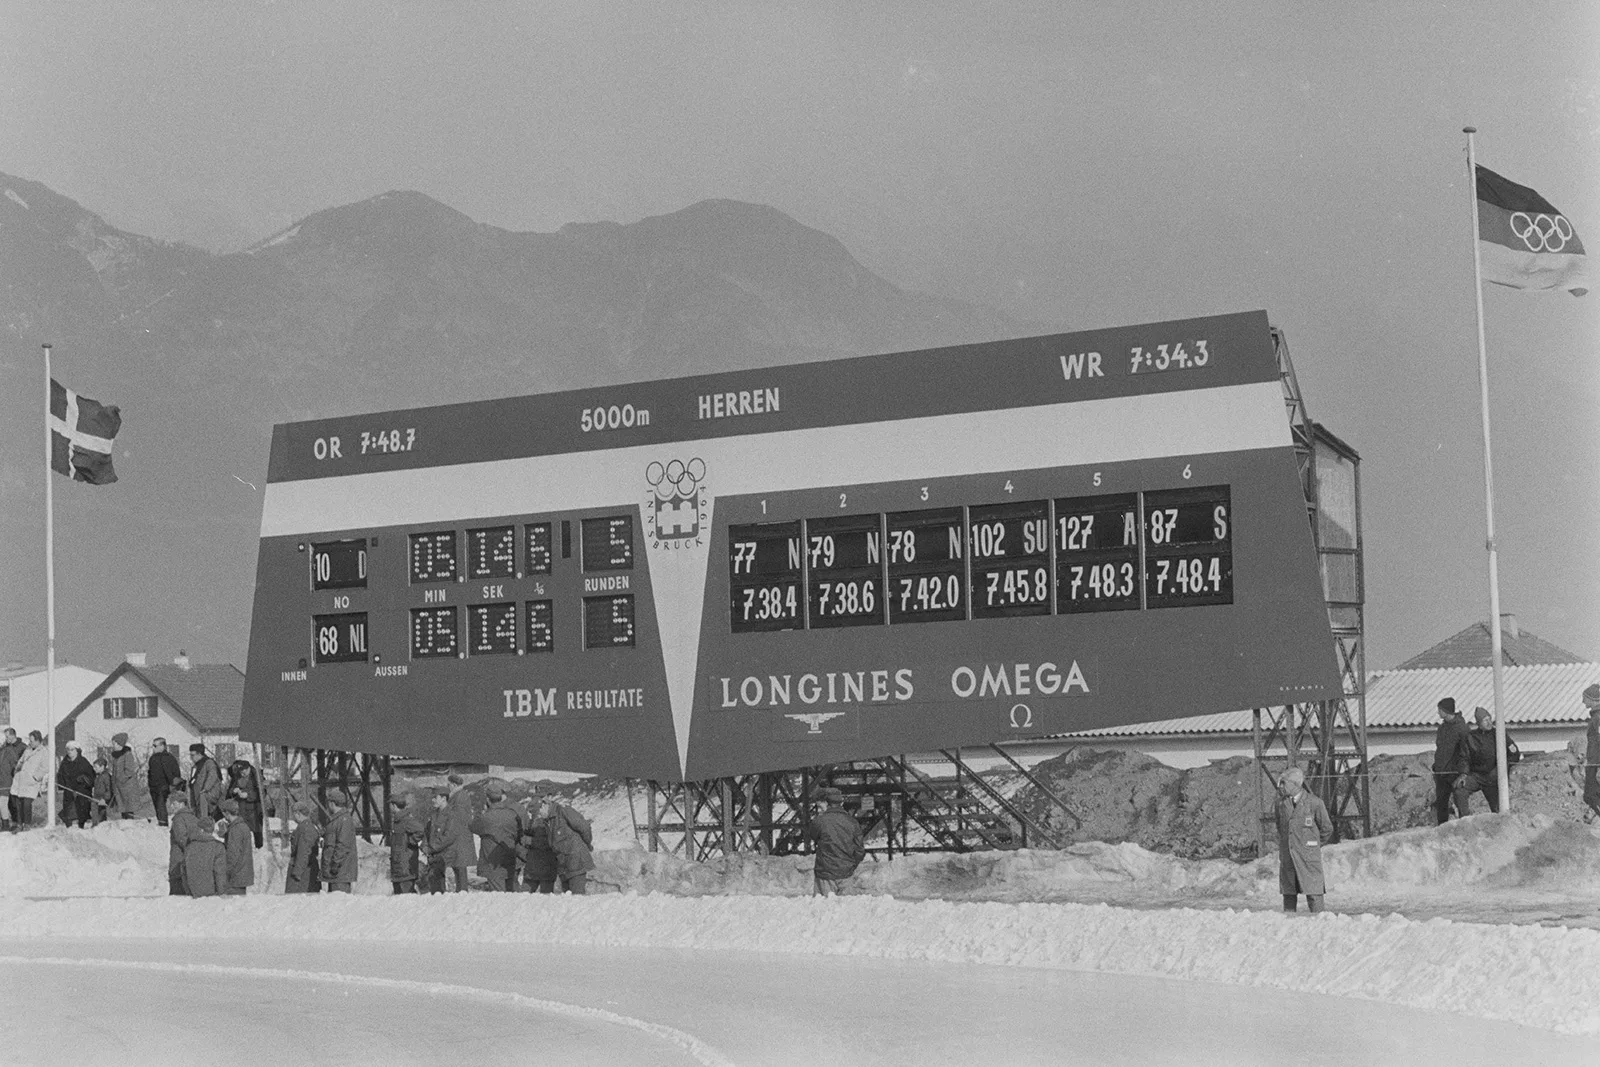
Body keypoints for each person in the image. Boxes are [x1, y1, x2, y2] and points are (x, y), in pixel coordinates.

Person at [1274, 767, 1334, 913]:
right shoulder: (1280, 804)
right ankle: (1289, 926)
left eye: (1283, 783)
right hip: (1288, 856)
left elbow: (1326, 828)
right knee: (1289, 894)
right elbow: (1280, 827)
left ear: (1295, 784)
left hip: (1308, 857)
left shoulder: (1315, 803)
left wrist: (1312, 845)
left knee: (1314, 893)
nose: (1280, 786)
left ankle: (1319, 924)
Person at [803, 787, 865, 897]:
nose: (820, 809)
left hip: (825, 874)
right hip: (846, 875)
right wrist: (851, 866)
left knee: (824, 909)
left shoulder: (819, 821)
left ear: (827, 803)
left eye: (820, 806)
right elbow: (860, 850)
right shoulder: (853, 822)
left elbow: (813, 836)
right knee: (845, 910)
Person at [534, 791, 594, 895]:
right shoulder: (547, 821)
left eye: (539, 810)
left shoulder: (563, 811)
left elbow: (584, 827)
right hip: (564, 867)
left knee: (577, 899)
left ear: (546, 804)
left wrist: (587, 844)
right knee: (567, 902)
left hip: (576, 863)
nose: (539, 814)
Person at [1463, 706, 1520, 814]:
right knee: (1460, 789)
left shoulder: (1499, 733)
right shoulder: (1471, 737)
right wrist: (1464, 773)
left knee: (1498, 808)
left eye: (1489, 719)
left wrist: (1502, 768)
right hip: (1478, 776)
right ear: (1479, 723)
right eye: (1485, 721)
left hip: (1494, 777)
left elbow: (1514, 754)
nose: (1489, 723)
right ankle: (1464, 820)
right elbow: (1465, 757)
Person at [468, 781, 523, 892]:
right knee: (511, 893)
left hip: (492, 863)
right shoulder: (512, 814)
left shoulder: (486, 817)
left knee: (498, 897)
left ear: (488, 800)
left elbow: (473, 827)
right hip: (510, 860)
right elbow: (519, 834)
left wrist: (479, 812)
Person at [1431, 697, 1471, 824]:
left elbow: (1465, 751)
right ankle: (1442, 830)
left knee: (1460, 801)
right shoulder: (1442, 729)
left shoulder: (1462, 728)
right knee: (1441, 803)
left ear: (1446, 710)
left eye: (1440, 710)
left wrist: (1462, 771)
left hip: (1454, 772)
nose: (1438, 713)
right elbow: (1440, 749)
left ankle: (1465, 827)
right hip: (1441, 772)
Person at [422, 787, 468, 893]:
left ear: (443, 798)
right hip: (435, 855)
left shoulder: (452, 814)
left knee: (460, 890)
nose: (433, 800)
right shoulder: (433, 814)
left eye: (435, 797)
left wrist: (431, 848)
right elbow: (427, 832)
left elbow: (449, 836)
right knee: (436, 888)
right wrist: (424, 845)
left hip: (450, 854)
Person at [8, 731, 50, 831]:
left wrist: (35, 777)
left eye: (31, 741)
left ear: (38, 741)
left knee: (26, 803)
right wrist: (17, 769)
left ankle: (26, 824)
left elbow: (45, 767)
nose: (29, 743)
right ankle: (19, 824)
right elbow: (21, 760)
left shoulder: (44, 752)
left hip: (31, 782)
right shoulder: (27, 750)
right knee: (17, 802)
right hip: (21, 779)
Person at [183, 809, 228, 898]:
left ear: (200, 829)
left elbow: (184, 872)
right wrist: (222, 893)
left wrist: (188, 892)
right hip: (212, 895)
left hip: (194, 894)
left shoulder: (189, 847)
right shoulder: (218, 847)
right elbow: (220, 872)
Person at [518, 798, 560, 894]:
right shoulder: (535, 822)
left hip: (545, 868)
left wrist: (528, 840)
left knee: (545, 899)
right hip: (534, 868)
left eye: (531, 811)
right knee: (524, 897)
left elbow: (548, 842)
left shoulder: (547, 822)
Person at [320, 793, 358, 893]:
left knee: (340, 904)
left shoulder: (344, 820)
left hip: (340, 873)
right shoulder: (337, 820)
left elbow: (343, 845)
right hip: (335, 873)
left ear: (332, 803)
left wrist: (335, 864)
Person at [387, 794, 424, 895]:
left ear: (394, 806)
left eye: (390, 805)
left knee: (407, 898)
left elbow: (420, 830)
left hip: (406, 868)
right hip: (398, 867)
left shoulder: (406, 820)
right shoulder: (398, 821)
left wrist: (410, 841)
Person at [165, 793, 202, 894]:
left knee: (177, 896)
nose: (171, 806)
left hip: (178, 862)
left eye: (174, 803)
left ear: (182, 804)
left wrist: (189, 851)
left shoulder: (178, 819)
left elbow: (182, 839)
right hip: (192, 863)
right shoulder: (194, 818)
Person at [445, 773, 478, 887]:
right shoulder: (459, 795)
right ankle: (461, 890)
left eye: (448, 784)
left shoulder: (459, 796)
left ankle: (462, 891)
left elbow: (457, 817)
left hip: (459, 836)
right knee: (457, 866)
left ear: (453, 785)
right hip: (459, 836)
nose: (447, 786)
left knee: (459, 866)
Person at [226, 756, 265, 848]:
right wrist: (233, 791)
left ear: (248, 768)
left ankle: (259, 848)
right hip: (241, 808)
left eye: (244, 771)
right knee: (241, 829)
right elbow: (230, 790)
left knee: (257, 830)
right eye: (241, 771)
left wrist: (248, 795)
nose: (242, 773)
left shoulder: (257, 777)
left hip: (254, 808)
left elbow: (262, 793)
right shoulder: (238, 777)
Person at [285, 801, 323, 894]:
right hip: (307, 869)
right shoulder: (308, 827)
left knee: (295, 900)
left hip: (303, 873)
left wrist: (297, 873)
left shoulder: (304, 829)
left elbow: (303, 852)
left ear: (298, 813)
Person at [57, 742, 96, 828]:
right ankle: (69, 828)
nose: (69, 752)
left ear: (77, 751)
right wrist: (62, 784)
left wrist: (84, 779)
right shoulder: (65, 763)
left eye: (72, 750)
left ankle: (81, 826)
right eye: (68, 750)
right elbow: (60, 775)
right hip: (69, 791)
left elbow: (91, 777)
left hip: (82, 791)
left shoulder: (83, 762)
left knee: (81, 811)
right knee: (68, 812)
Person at [220, 799, 254, 895]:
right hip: (242, 874)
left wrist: (226, 872)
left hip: (235, 877)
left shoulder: (235, 829)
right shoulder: (243, 826)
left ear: (227, 813)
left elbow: (233, 854)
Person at [146, 737, 182, 828]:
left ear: (162, 746)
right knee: (157, 805)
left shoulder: (169, 758)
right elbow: (150, 772)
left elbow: (175, 773)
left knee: (161, 804)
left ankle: (163, 824)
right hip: (154, 786)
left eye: (155, 745)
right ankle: (160, 821)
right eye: (152, 746)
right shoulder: (152, 758)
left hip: (164, 785)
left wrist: (173, 785)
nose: (153, 748)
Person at [108, 732, 140, 820]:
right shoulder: (116, 756)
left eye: (114, 743)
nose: (113, 745)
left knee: (128, 809)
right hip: (119, 787)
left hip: (127, 787)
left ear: (119, 744)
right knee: (123, 809)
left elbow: (129, 770)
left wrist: (120, 779)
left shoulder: (127, 754)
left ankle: (130, 829)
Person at [188, 743, 223, 822]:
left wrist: (205, 789)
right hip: (198, 798)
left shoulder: (209, 763)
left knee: (208, 815)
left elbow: (212, 776)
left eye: (192, 755)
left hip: (208, 795)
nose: (191, 758)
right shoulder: (195, 766)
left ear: (199, 754)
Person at [0, 726, 25, 831]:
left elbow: (18, 764)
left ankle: (14, 824)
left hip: (10, 779)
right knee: (5, 803)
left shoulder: (17, 748)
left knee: (12, 803)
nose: (6, 739)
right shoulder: (4, 748)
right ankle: (6, 824)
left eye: (7, 737)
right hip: (3, 779)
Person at [1582, 684, 1600, 821]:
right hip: (1593, 762)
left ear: (1593, 699)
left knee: (1591, 795)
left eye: (1585, 698)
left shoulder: (1598, 718)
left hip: (1596, 764)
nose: (1583, 702)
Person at [92, 758, 113, 825]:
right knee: (96, 813)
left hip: (103, 800)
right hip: (97, 798)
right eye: (94, 767)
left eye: (96, 767)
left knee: (101, 816)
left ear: (102, 767)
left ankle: (97, 826)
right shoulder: (98, 776)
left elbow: (109, 789)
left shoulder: (106, 776)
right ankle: (95, 826)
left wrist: (104, 799)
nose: (94, 769)